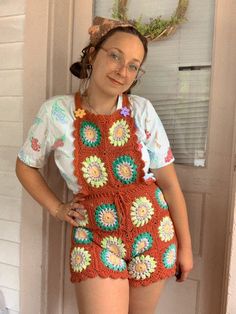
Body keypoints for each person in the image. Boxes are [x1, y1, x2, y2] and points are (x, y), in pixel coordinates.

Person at [16, 16, 193, 314]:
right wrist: (57, 208)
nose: (123, 71)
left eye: (133, 65)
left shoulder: (142, 111)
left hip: (153, 234)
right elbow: (25, 166)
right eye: (115, 56)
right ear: (93, 54)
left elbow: (170, 184)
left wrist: (186, 247)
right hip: (96, 239)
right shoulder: (55, 112)